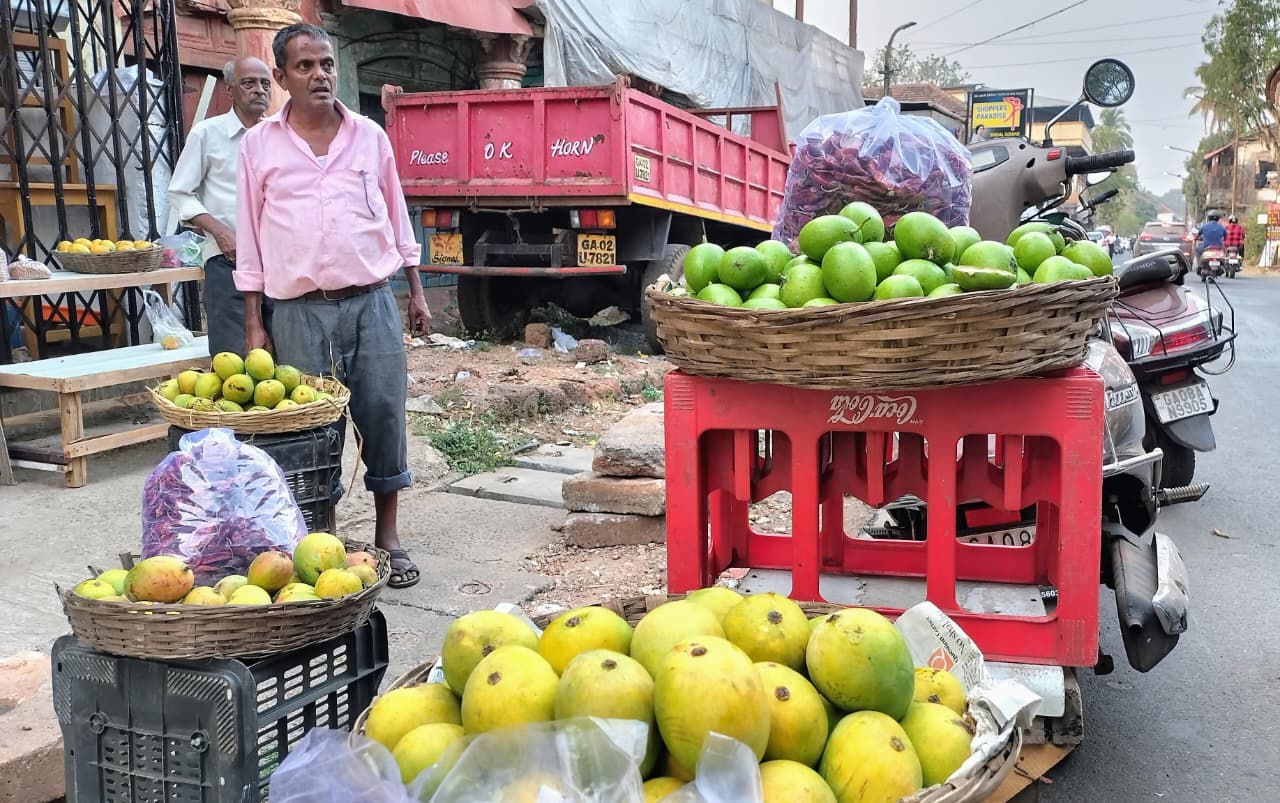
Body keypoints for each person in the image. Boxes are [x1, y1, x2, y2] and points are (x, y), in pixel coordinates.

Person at [234, 23, 430, 588]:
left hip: (371, 302)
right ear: (280, 77)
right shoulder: (259, 147)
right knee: (312, 431)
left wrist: (415, 291)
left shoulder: (370, 137)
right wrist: (254, 323)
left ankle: (388, 537)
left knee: (384, 415)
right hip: (296, 311)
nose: (319, 75)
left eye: (326, 64)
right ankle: (322, 542)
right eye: (304, 67)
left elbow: (397, 215)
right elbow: (249, 238)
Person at [167, 56, 273, 355]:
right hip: (228, 264)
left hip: (279, 266)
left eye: (265, 83)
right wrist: (220, 232)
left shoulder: (278, 136)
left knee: (286, 364)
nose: (259, 90)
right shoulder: (207, 134)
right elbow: (179, 193)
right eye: (248, 83)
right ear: (230, 91)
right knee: (235, 363)